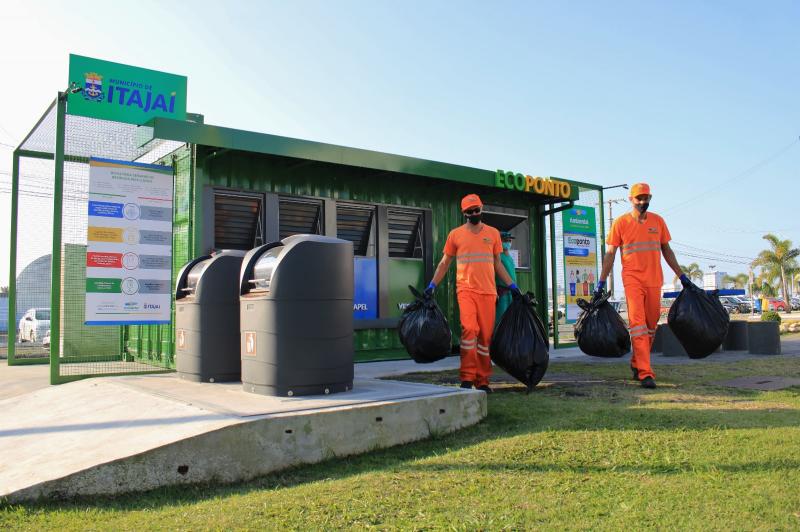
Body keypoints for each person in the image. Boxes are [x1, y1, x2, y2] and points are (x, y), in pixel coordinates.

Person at [596, 183, 686, 389]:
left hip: (654, 280)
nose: (643, 202)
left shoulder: (658, 221)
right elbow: (610, 254)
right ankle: (646, 373)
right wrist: (601, 281)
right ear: (631, 199)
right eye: (639, 198)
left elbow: (667, 251)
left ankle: (637, 363)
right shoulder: (620, 223)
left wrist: (682, 276)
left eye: (646, 198)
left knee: (651, 326)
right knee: (638, 326)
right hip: (632, 280)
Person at [424, 193, 517, 393]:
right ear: (464, 213)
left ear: (481, 209)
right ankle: (467, 378)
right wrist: (432, 285)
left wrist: (512, 286)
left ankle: (482, 381)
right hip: (466, 290)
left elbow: (498, 264)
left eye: (477, 210)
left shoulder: (493, 234)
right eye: (470, 211)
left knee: (484, 338)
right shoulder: (455, 235)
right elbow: (444, 263)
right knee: (469, 331)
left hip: (488, 293)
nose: (474, 213)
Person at [495, 231, 518, 325]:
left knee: (510, 319)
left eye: (509, 240)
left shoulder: (510, 258)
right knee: (501, 319)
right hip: (502, 293)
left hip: (511, 292)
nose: (508, 242)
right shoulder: (498, 256)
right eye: (505, 240)